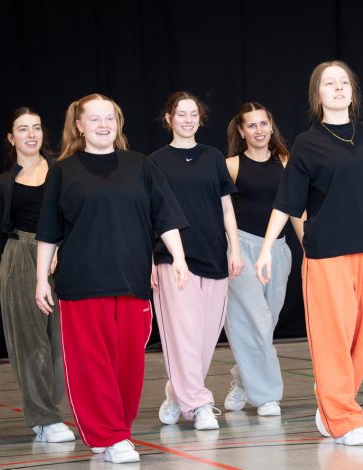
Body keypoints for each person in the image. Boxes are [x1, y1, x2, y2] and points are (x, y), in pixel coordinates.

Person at [255, 60, 363, 446]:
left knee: (361, 336)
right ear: (318, 95)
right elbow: (287, 202)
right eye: (330, 83)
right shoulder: (307, 143)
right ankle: (343, 418)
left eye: (344, 82)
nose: (339, 88)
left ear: (352, 91)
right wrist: (265, 249)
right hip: (327, 254)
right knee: (333, 337)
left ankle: (332, 406)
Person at [35, 94, 189, 463]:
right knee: (92, 364)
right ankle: (110, 435)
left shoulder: (140, 166)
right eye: (95, 119)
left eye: (110, 118)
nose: (103, 125)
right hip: (82, 283)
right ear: (79, 126)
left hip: (132, 281)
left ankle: (116, 430)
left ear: (118, 123)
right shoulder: (63, 171)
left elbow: (165, 216)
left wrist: (179, 257)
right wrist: (41, 279)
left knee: (128, 365)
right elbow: (49, 232)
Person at [150, 91, 242, 431]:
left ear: (200, 119)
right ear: (169, 119)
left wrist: (234, 248)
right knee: (184, 336)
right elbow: (150, 215)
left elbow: (226, 207)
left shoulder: (213, 157)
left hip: (213, 255)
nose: (188, 120)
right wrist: (149, 261)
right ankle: (201, 404)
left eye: (193, 114)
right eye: (181, 114)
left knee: (203, 340)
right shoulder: (155, 162)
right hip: (173, 260)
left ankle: (176, 393)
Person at [0, 107, 74, 443]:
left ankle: (48, 409)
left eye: (36, 128)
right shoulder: (3, 183)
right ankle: (45, 417)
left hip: (60, 259)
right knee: (30, 342)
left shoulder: (62, 171)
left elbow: (73, 216)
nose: (31, 135)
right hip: (20, 257)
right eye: (23, 129)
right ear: (11, 138)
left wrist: (59, 249)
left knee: (61, 341)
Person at [222, 102, 292, 417]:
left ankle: (242, 380)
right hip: (242, 250)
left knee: (267, 325)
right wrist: (232, 249)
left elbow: (296, 210)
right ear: (241, 131)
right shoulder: (232, 165)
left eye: (263, 123)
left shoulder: (286, 162)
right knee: (255, 322)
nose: (259, 130)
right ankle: (267, 396)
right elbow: (222, 212)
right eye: (252, 125)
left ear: (271, 125)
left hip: (277, 251)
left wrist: (309, 250)